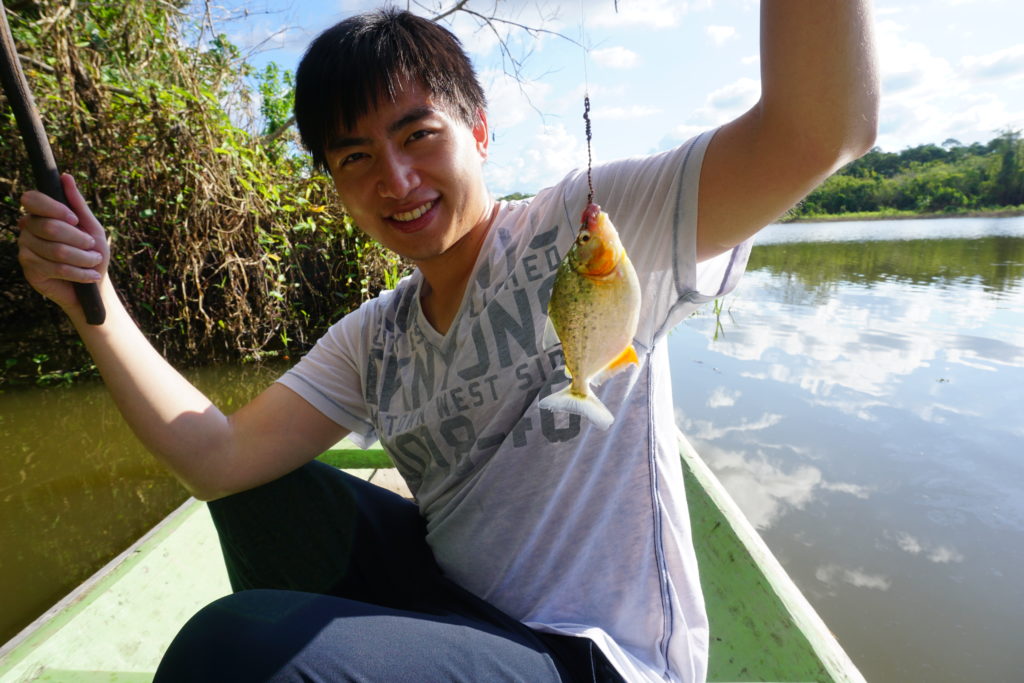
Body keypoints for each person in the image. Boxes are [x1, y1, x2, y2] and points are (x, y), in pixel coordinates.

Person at [16, 3, 878, 681]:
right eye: (355, 158)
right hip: (458, 612)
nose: (394, 180)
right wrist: (87, 298)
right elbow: (214, 455)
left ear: (479, 130)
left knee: (227, 650)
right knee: (254, 493)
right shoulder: (374, 338)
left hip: (585, 659)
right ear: (336, 186)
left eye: (418, 135)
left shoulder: (593, 226)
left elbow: (819, 129)